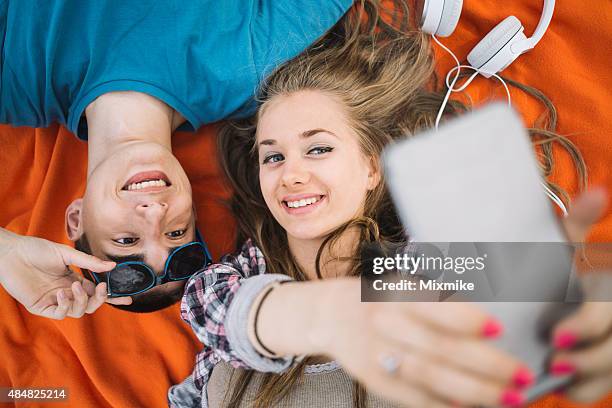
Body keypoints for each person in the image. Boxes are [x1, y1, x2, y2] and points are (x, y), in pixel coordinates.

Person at [169, 1, 610, 407]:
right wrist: (328, 313)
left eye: (319, 149)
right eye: (273, 156)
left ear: (372, 168)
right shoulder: (228, 284)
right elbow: (213, 310)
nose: (291, 174)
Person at [0, 0, 353, 315]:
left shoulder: (16, 82)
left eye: (126, 240)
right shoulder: (246, 69)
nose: (154, 213)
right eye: (176, 231)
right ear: (191, 207)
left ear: (76, 218)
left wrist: (6, 253)